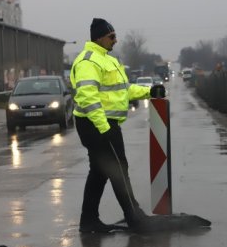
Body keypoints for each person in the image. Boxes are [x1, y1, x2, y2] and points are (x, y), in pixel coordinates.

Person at [70, 18, 166, 233]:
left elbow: (123, 89)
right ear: (99, 37)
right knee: (118, 168)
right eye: (111, 36)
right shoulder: (88, 61)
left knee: (99, 171)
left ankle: (88, 221)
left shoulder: (108, 60)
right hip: (96, 125)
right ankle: (134, 216)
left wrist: (149, 92)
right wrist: (104, 128)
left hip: (102, 124)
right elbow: (88, 97)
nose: (115, 40)